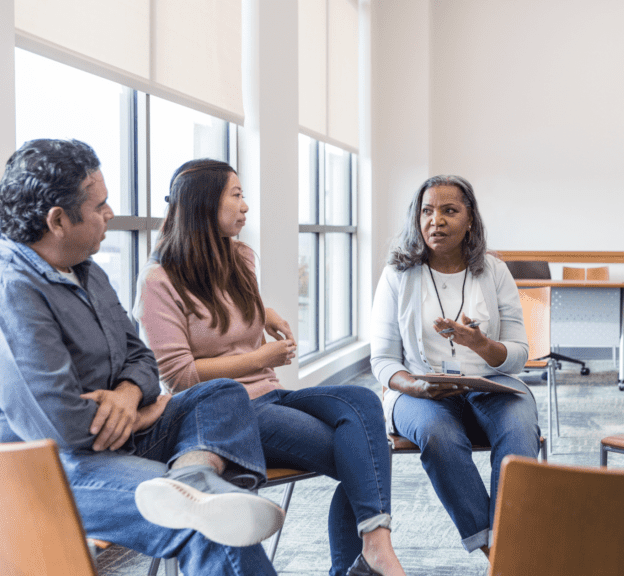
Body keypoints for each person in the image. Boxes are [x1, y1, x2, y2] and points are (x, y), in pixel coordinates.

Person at [0, 139, 285, 576]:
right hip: (47, 469)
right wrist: (139, 416)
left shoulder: (86, 269)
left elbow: (140, 358)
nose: (110, 214)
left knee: (219, 395)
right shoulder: (5, 291)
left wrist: (125, 394)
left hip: (113, 438)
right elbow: (58, 423)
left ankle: (192, 479)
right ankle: (197, 495)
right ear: (58, 220)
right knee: (205, 523)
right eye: (99, 205)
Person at [134, 159, 405, 576]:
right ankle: (373, 554)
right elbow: (180, 376)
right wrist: (262, 357)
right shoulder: (159, 281)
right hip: (228, 414)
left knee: (362, 401)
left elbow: (224, 307)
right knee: (367, 454)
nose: (245, 206)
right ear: (206, 203)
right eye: (236, 194)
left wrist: (265, 312)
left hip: (272, 395)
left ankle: (373, 546)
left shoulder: (239, 256)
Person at [370, 175, 539, 557]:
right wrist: (414, 386)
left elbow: (518, 354)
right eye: (427, 211)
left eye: (449, 211)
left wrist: (481, 345)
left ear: (470, 220)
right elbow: (382, 360)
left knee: (519, 429)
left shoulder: (493, 271)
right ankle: (496, 553)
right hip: (419, 391)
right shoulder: (397, 274)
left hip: (490, 384)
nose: (436, 221)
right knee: (437, 434)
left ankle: (512, 536)